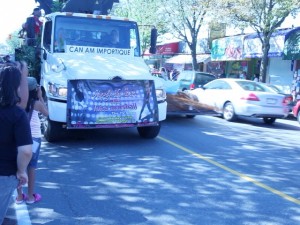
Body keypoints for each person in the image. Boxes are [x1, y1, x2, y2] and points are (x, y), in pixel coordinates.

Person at [0, 64, 32, 224]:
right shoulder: (17, 114)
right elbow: (26, 151)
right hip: (4, 173)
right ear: (17, 86)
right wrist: (21, 171)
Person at [16, 77, 48, 205]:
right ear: (36, 89)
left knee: (18, 166)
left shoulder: (18, 102)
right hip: (34, 138)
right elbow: (47, 114)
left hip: (19, 138)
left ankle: (19, 197)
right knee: (32, 166)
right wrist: (41, 97)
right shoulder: (37, 103)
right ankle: (30, 197)